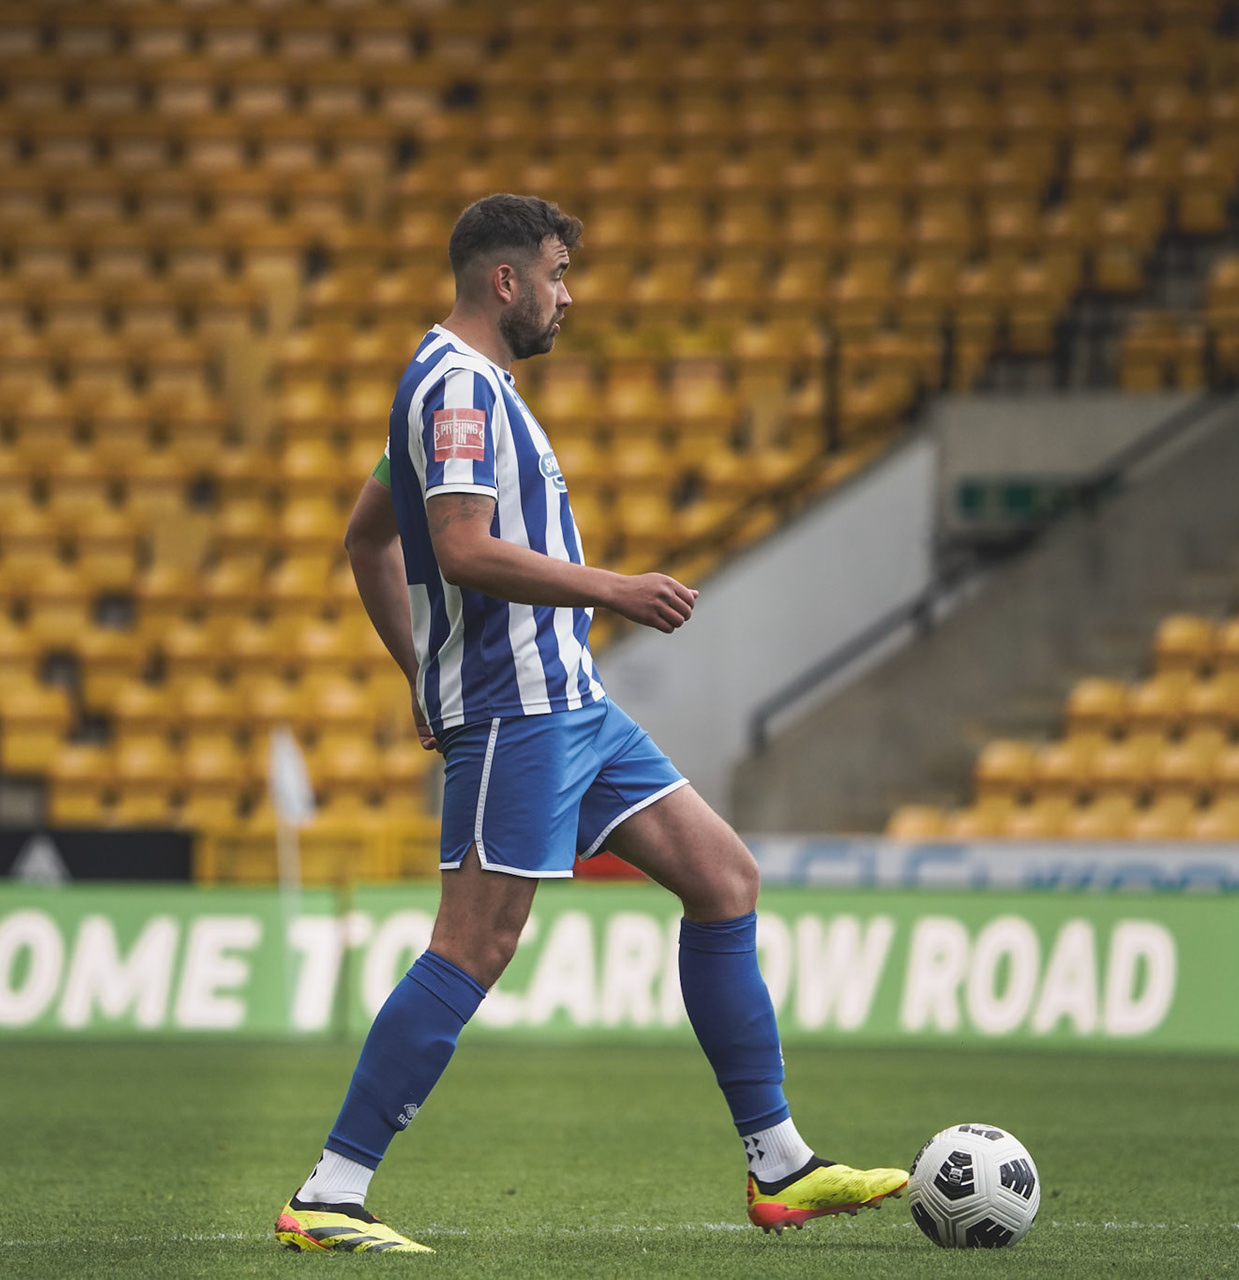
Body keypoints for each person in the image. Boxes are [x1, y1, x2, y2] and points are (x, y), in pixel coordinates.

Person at [274, 194, 906, 1254]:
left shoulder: (464, 386)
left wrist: (418, 672)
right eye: (557, 274)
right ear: (506, 281)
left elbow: (366, 536)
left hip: (574, 702)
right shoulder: (458, 388)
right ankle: (330, 1192)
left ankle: (780, 1163)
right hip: (515, 709)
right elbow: (458, 546)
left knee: (724, 879)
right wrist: (610, 588)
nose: (567, 297)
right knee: (475, 942)